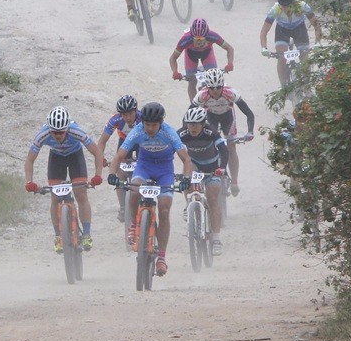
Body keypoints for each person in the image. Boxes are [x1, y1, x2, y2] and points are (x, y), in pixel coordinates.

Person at [108, 102, 193, 278]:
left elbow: (186, 159)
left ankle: (161, 257)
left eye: (154, 125)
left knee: (164, 208)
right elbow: (119, 156)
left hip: (164, 171)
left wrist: (186, 179)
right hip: (144, 167)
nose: (150, 128)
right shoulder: (138, 130)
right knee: (134, 190)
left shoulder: (169, 132)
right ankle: (133, 225)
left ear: (161, 122)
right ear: (143, 122)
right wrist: (111, 174)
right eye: (147, 124)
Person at [23, 106, 105, 253]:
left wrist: (98, 175)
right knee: (55, 197)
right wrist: (29, 182)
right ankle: (58, 236)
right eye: (54, 132)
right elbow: (29, 160)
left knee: (80, 193)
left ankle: (86, 233)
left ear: (67, 129)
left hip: (75, 156)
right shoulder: (42, 134)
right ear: (50, 130)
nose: (58, 135)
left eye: (61, 132)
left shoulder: (75, 131)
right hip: (56, 159)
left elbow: (96, 152)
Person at [192, 68, 256, 196]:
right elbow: (189, 116)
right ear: (207, 86)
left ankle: (234, 182)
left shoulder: (230, 93)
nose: (215, 91)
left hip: (228, 117)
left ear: (222, 85)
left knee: (231, 147)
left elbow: (249, 113)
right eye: (212, 88)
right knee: (211, 145)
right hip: (211, 117)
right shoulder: (202, 95)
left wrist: (250, 131)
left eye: (218, 87)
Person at [177, 106, 229, 255]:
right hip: (195, 164)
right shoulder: (182, 133)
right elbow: (170, 148)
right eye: (189, 124)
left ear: (203, 123)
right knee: (187, 177)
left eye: (196, 124)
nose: (192, 127)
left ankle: (216, 238)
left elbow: (224, 151)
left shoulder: (211, 133)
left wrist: (223, 167)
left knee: (212, 199)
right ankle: (189, 205)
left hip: (213, 167)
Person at [260, 0, 324, 89]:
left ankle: (307, 87)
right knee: (282, 57)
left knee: (305, 59)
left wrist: (317, 43)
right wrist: (264, 48)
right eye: (283, 6)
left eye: (288, 5)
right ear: (279, 4)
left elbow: (317, 25)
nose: (285, 8)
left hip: (299, 29)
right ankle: (284, 86)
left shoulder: (303, 6)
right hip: (282, 30)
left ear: (294, 2)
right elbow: (264, 31)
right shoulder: (275, 9)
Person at [95, 94, 139, 224]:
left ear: (136, 111)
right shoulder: (115, 120)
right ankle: (123, 207)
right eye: (124, 115)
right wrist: (101, 157)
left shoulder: (143, 118)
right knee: (119, 172)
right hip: (125, 142)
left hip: (141, 141)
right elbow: (102, 141)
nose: (127, 118)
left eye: (130, 114)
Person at [169, 17, 237, 100]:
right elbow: (173, 58)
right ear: (192, 36)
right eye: (196, 39)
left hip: (207, 53)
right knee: (192, 81)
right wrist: (175, 72)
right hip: (191, 55)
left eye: (201, 39)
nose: (199, 42)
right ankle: (193, 105)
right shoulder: (186, 39)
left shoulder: (212, 36)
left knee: (213, 78)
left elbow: (230, 48)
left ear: (207, 36)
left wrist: (230, 63)